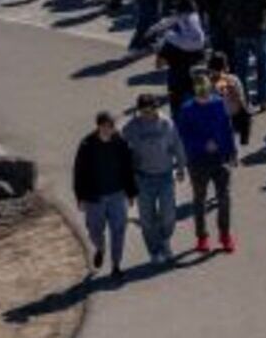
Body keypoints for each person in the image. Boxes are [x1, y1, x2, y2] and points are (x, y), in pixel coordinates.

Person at [176, 71, 238, 255]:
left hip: (220, 158)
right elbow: (183, 136)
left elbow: (227, 128)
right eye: (200, 92)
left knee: (224, 198)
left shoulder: (219, 104)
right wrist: (203, 144)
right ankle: (202, 237)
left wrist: (232, 151)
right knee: (199, 200)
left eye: (206, 91)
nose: (204, 95)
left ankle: (225, 235)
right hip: (198, 160)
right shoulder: (187, 109)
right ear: (195, 92)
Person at [119, 93, 185, 265]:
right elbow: (119, 146)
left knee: (168, 215)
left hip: (165, 176)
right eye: (144, 112)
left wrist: (180, 167)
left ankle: (165, 240)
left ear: (156, 108)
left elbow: (177, 145)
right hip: (143, 178)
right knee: (147, 219)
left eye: (150, 110)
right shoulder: (132, 127)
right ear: (139, 111)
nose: (147, 115)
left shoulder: (166, 124)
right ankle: (154, 251)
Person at [73, 110, 136, 276]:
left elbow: (128, 169)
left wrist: (131, 193)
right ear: (99, 126)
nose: (109, 130)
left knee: (119, 230)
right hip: (95, 197)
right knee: (94, 230)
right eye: (106, 126)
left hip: (117, 194)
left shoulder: (120, 142)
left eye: (112, 126)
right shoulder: (87, 145)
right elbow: (79, 172)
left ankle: (116, 266)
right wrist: (80, 197)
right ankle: (100, 248)